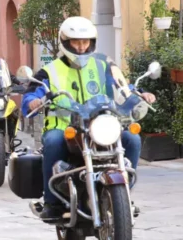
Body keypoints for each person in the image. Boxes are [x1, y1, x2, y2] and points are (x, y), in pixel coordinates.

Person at [21, 16, 156, 220]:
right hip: (66, 128)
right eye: (76, 42)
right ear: (66, 42)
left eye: (85, 42)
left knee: (132, 138)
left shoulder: (102, 65)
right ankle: (52, 202)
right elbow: (33, 93)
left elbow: (121, 86)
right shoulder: (49, 71)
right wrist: (33, 101)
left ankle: (125, 194)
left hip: (98, 125)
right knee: (52, 141)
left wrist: (139, 94)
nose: (82, 47)